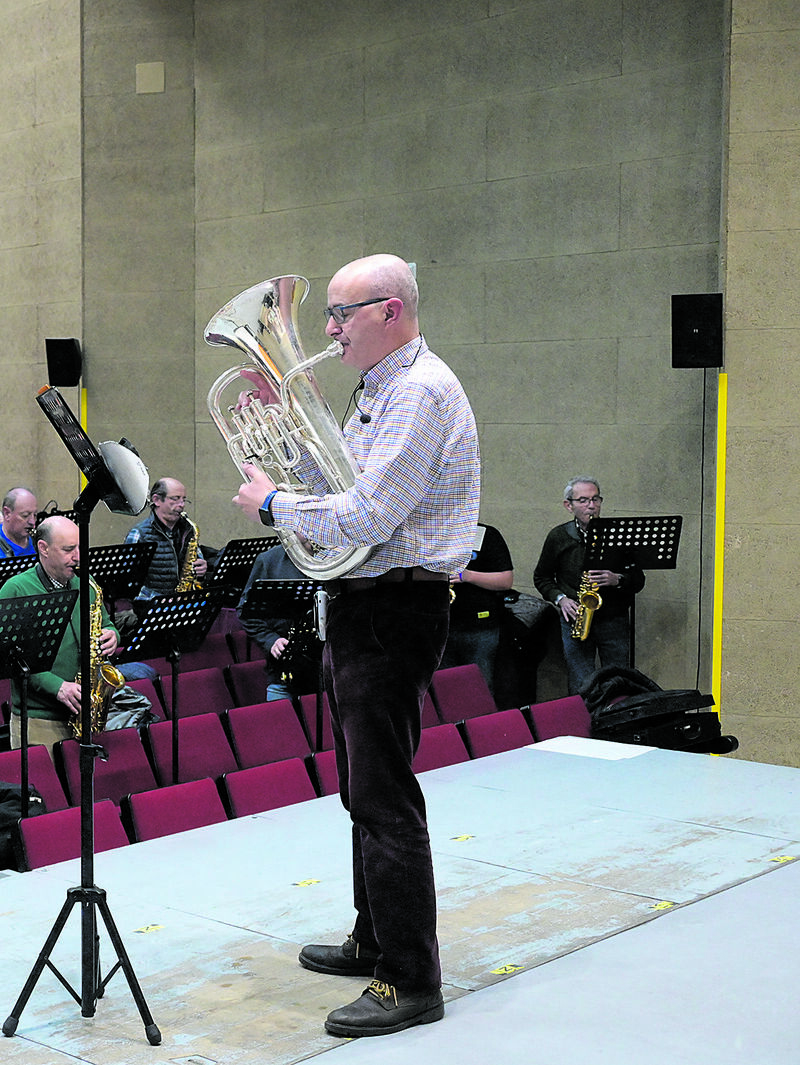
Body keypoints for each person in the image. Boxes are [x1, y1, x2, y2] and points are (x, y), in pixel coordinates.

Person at [232, 254, 478, 1038]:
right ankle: (375, 937)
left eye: (343, 313)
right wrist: (284, 436)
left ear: (392, 312)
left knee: (383, 796)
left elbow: (367, 514)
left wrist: (273, 500)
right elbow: (333, 483)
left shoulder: (421, 390)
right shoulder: (379, 387)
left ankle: (410, 978)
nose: (328, 329)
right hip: (362, 603)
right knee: (359, 789)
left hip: (394, 606)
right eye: (329, 314)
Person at [0, 516, 118, 748]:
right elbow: (7, 656)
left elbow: (107, 623)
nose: (78, 557)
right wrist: (57, 687)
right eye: (69, 549)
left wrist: (112, 634)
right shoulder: (17, 589)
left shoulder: (85, 582)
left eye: (80, 548)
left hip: (85, 711)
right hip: (39, 720)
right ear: (43, 548)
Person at [533, 477, 644, 695]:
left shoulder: (618, 535)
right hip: (575, 617)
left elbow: (638, 580)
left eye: (595, 499)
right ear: (569, 505)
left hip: (613, 620)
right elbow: (542, 577)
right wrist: (561, 599)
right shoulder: (559, 536)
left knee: (620, 680)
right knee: (581, 683)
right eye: (583, 500)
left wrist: (618, 579)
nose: (591, 506)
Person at [442, 523, 514, 698]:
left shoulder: (486, 534)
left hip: (479, 628)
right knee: (445, 690)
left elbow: (506, 580)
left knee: (479, 689)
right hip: (441, 627)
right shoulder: (433, 534)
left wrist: (467, 576)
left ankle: (481, 725)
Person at [237, 543, 315, 703]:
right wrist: (270, 640)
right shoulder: (270, 560)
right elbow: (245, 611)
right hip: (284, 672)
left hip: (324, 668)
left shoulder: (335, 557)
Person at [125, 478, 208, 599]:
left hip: (181, 601)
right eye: (175, 499)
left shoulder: (188, 530)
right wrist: (161, 600)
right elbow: (128, 580)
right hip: (151, 604)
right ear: (156, 500)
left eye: (183, 499)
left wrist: (201, 570)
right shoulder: (139, 533)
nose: (182, 505)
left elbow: (196, 562)